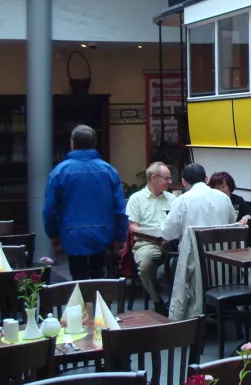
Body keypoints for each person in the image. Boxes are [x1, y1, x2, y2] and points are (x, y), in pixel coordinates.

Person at [43, 125, 127, 280]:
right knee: (99, 277)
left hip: (71, 234)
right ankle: (97, 303)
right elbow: (119, 209)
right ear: (94, 143)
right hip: (103, 234)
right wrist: (120, 236)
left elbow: (50, 209)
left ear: (72, 143)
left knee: (78, 279)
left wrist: (53, 234)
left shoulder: (59, 172)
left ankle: (82, 303)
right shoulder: (109, 171)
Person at [125, 161, 174, 315]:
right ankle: (158, 300)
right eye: (167, 178)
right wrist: (153, 237)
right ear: (154, 178)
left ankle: (177, 301)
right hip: (147, 243)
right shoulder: (137, 198)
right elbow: (133, 227)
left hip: (171, 243)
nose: (170, 182)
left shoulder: (172, 198)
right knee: (146, 266)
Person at [161, 163, 235, 241]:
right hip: (219, 251)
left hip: (192, 252)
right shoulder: (224, 198)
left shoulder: (181, 200)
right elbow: (232, 224)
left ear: (183, 182)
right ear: (206, 178)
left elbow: (168, 234)